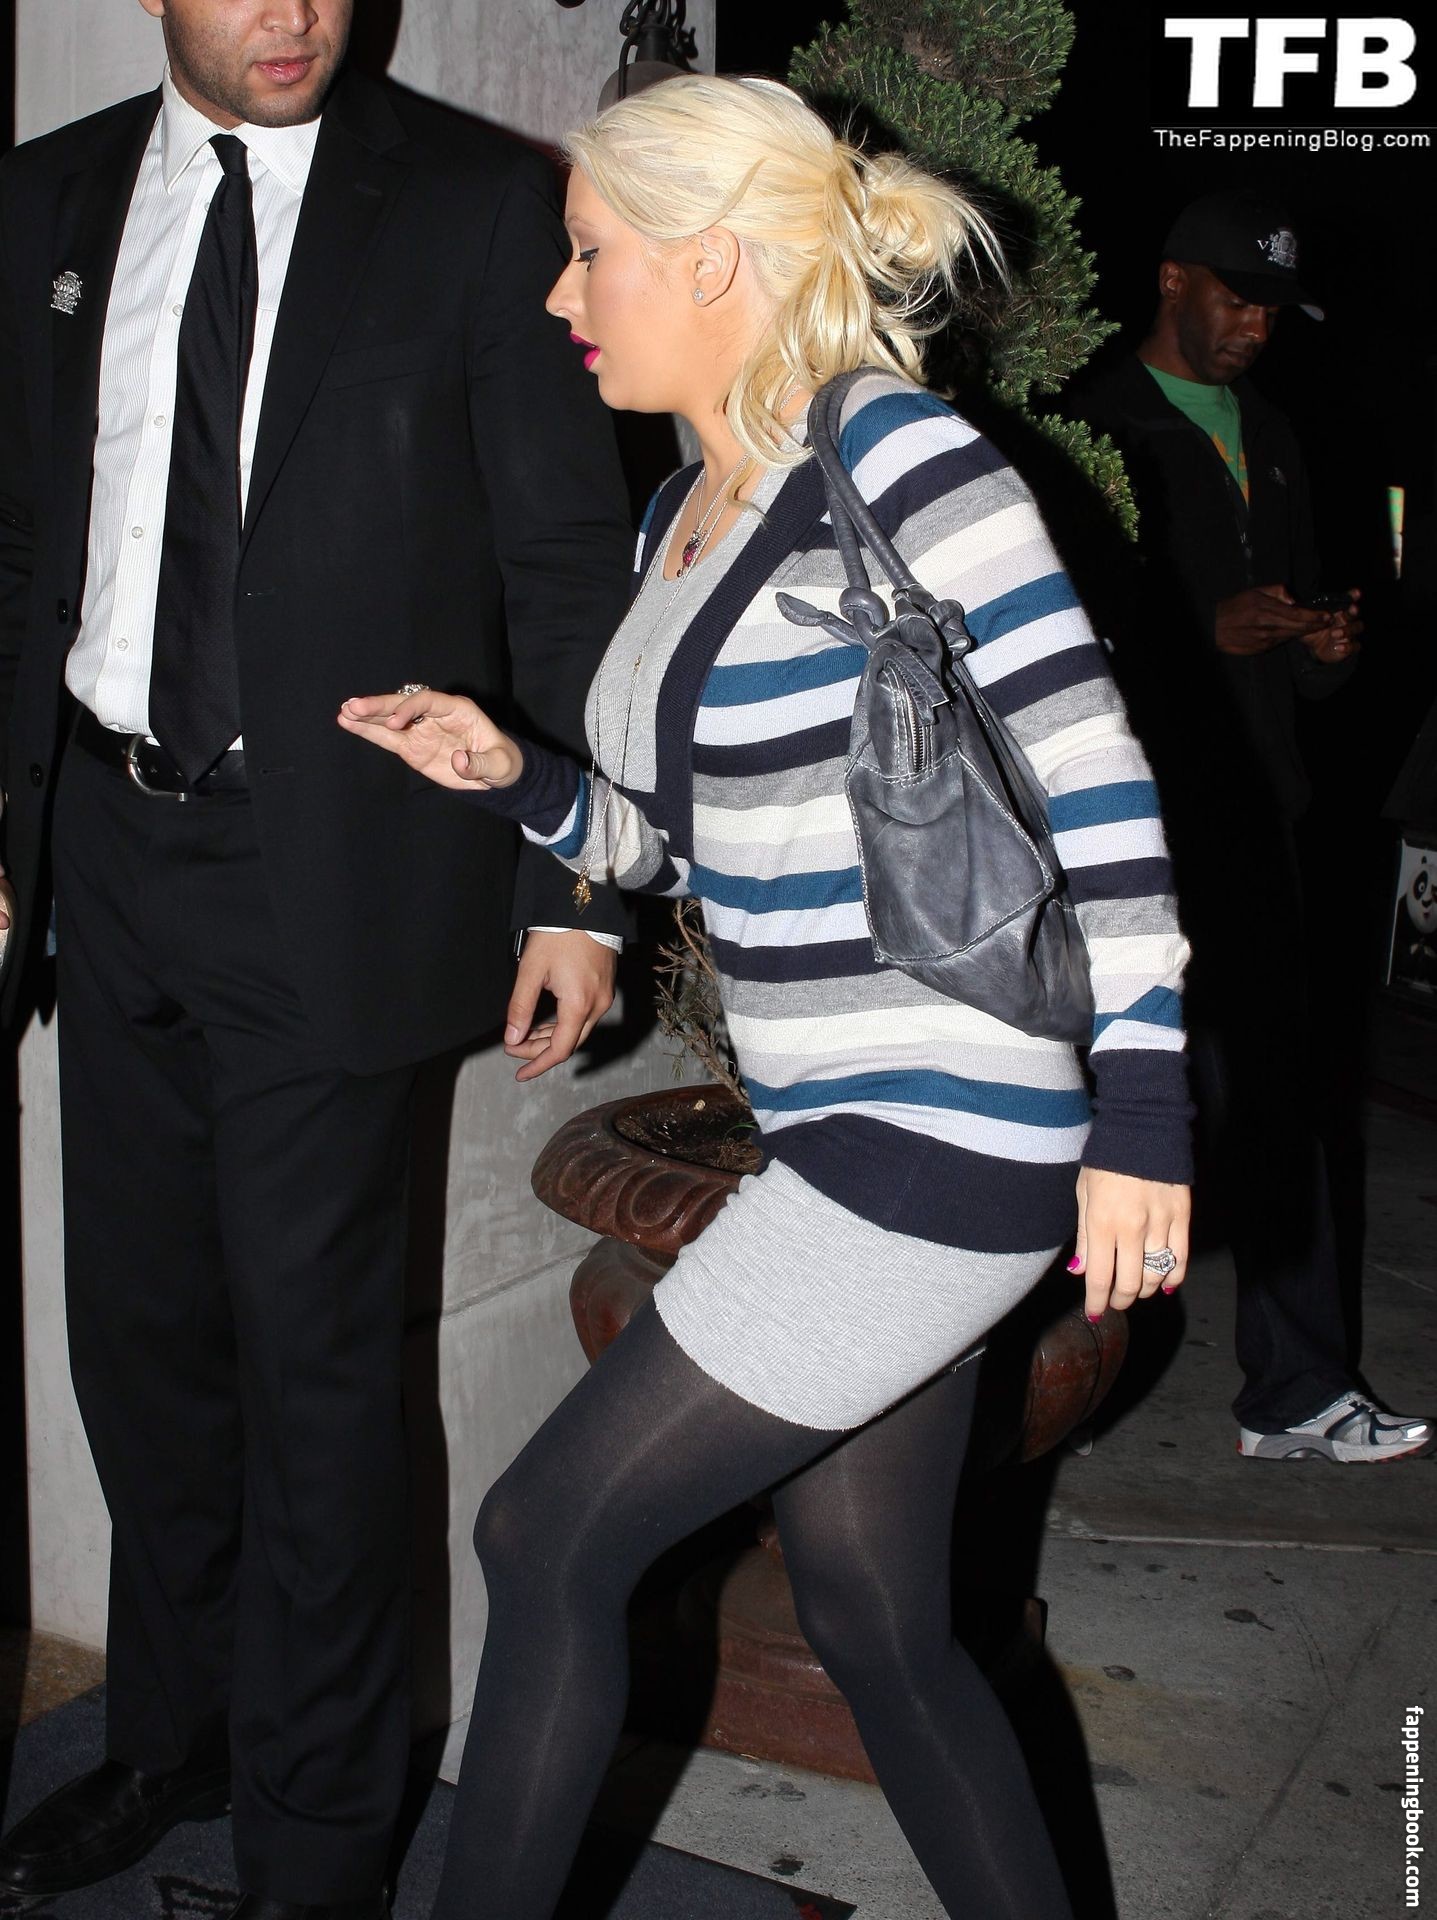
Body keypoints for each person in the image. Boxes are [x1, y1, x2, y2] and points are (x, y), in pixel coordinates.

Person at [341, 74, 1194, 1920]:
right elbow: (668, 842)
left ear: (712, 260)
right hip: (839, 1134)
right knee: (879, 1624)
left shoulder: (898, 454)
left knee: (543, 1536)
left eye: (591, 256)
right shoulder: (685, 516)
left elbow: (1095, 778)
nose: (562, 298)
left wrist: (1144, 1114)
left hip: (940, 1124)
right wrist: (512, 775)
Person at [0, 1, 634, 1912]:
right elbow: (22, 539)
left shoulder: (474, 205)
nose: (291, 13)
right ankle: (170, 1740)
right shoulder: (47, 197)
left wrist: (578, 884)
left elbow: (564, 561)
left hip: (333, 869)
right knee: (141, 1355)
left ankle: (319, 1847)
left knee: (321, 1382)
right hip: (106, 845)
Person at [1072, 189, 1433, 1464]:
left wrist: (1326, 647)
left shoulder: (1272, 433)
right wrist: (1201, 634)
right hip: (1116, 829)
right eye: (1239, 299)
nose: (1257, 328)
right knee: (1087, 1104)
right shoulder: (1091, 426)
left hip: (1255, 822)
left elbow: (1299, 661)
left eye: (1276, 310)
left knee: (1282, 1098)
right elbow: (1065, 640)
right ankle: (1031, 1383)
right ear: (1174, 281)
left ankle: (1296, 1392)